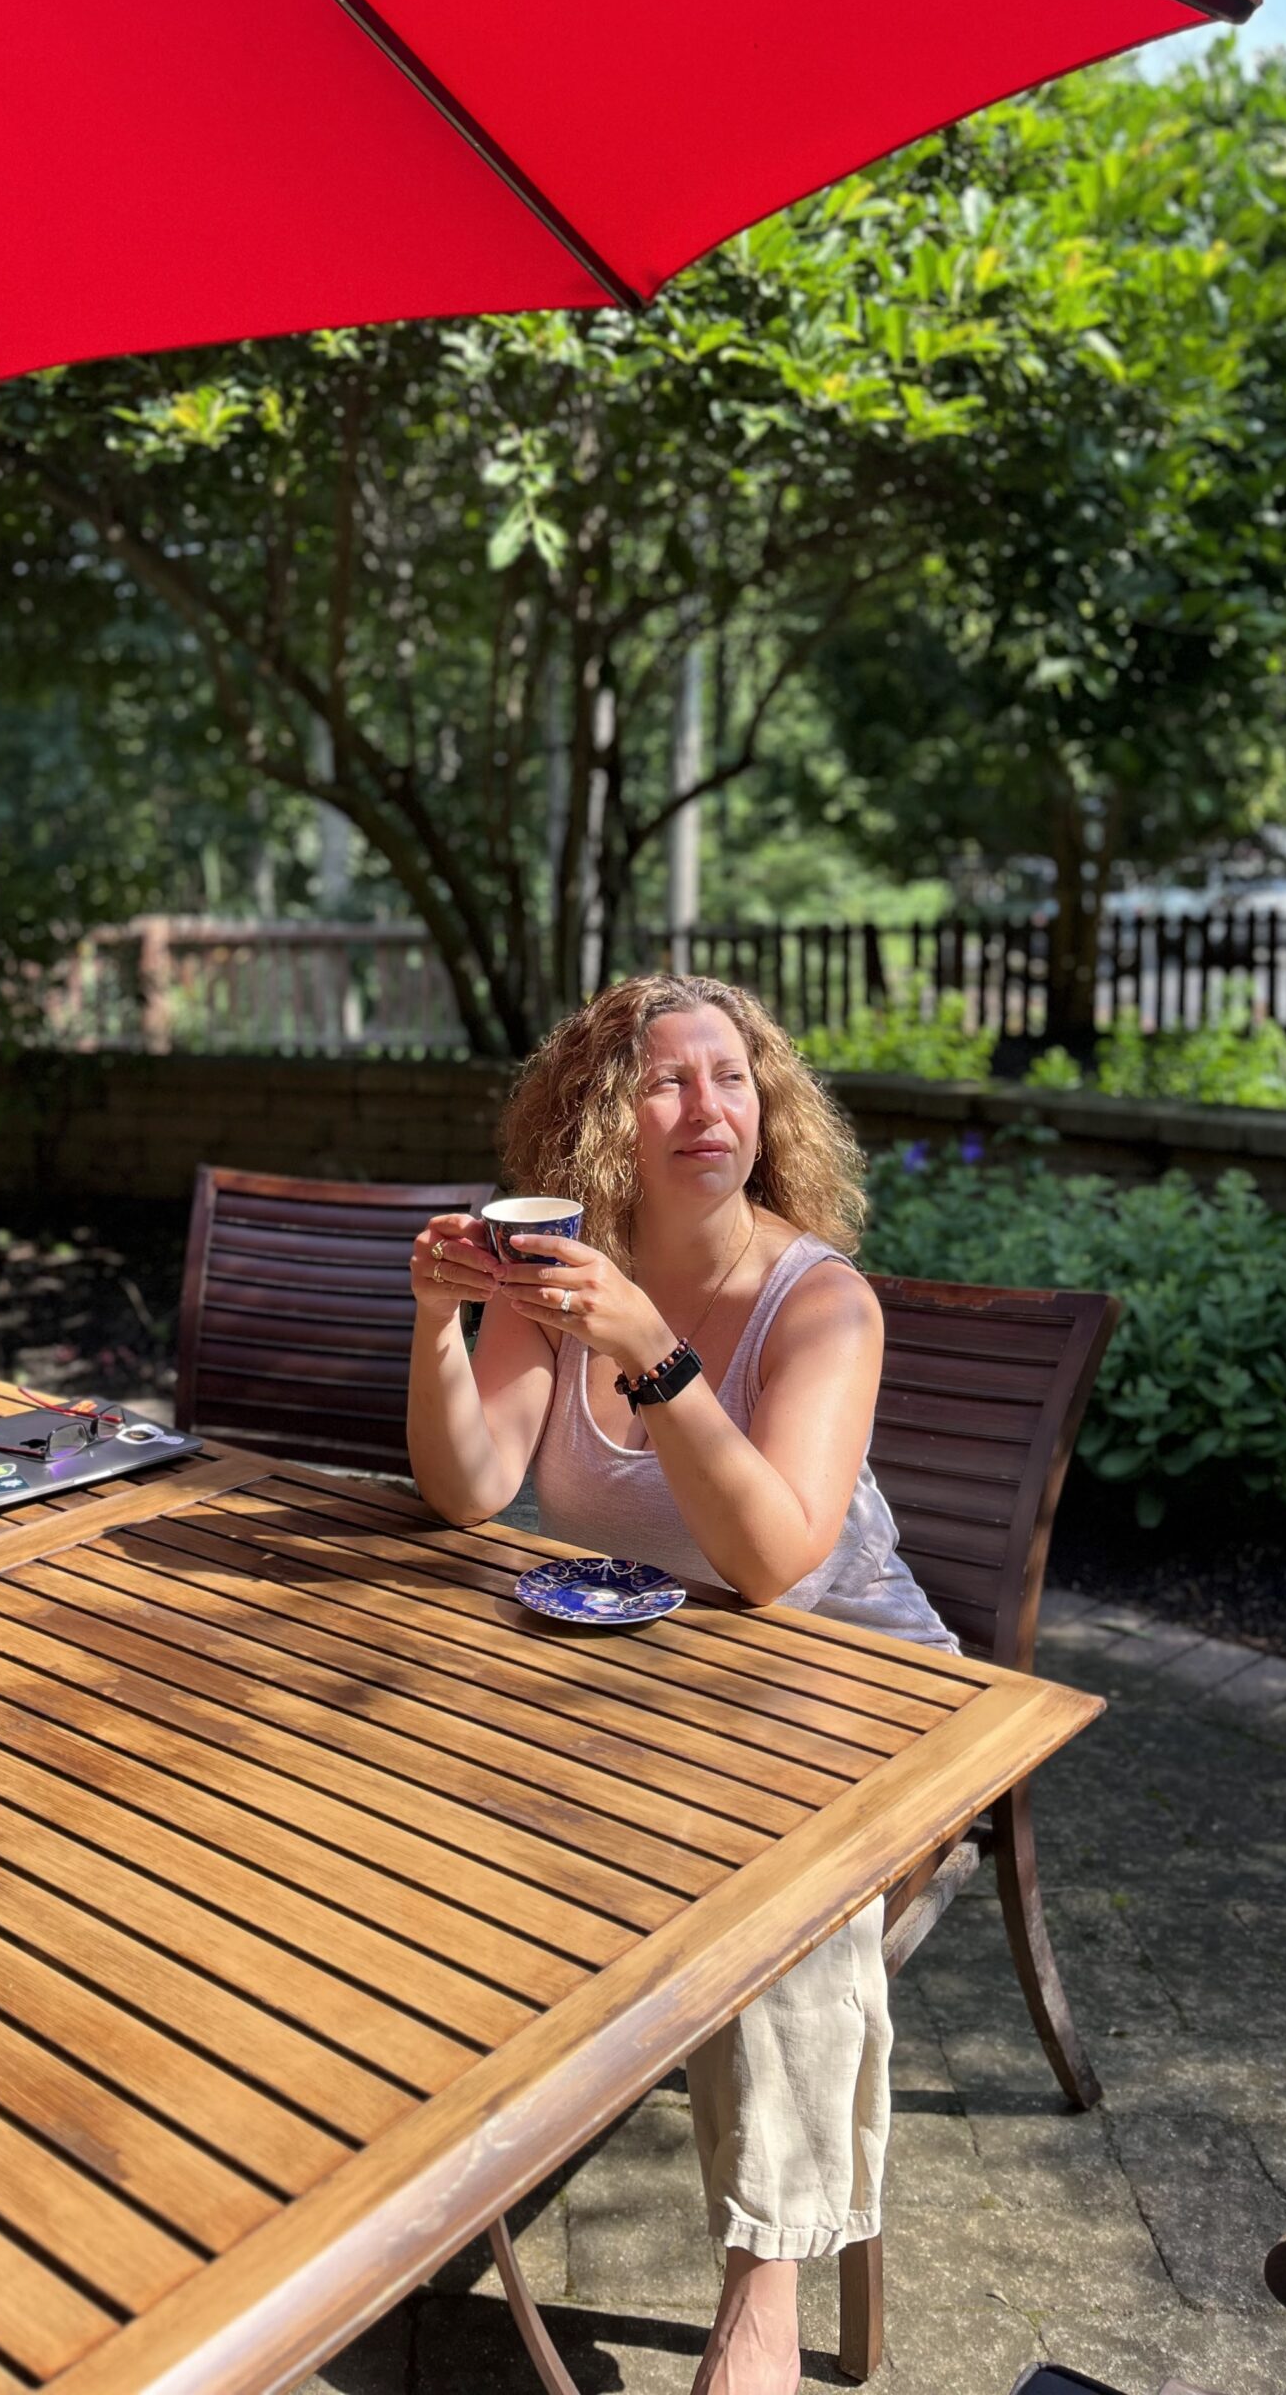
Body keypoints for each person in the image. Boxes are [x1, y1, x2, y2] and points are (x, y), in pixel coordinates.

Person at [405, 973, 957, 2395]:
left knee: (786, 1892)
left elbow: (776, 1565)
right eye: (667, 1079)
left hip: (863, 1703)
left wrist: (651, 1351)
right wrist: (441, 1322)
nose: (707, 1106)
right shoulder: (567, 1263)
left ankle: (762, 2294)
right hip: (650, 1701)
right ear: (605, 1116)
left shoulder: (820, 1301)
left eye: (731, 1076)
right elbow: (473, 1494)